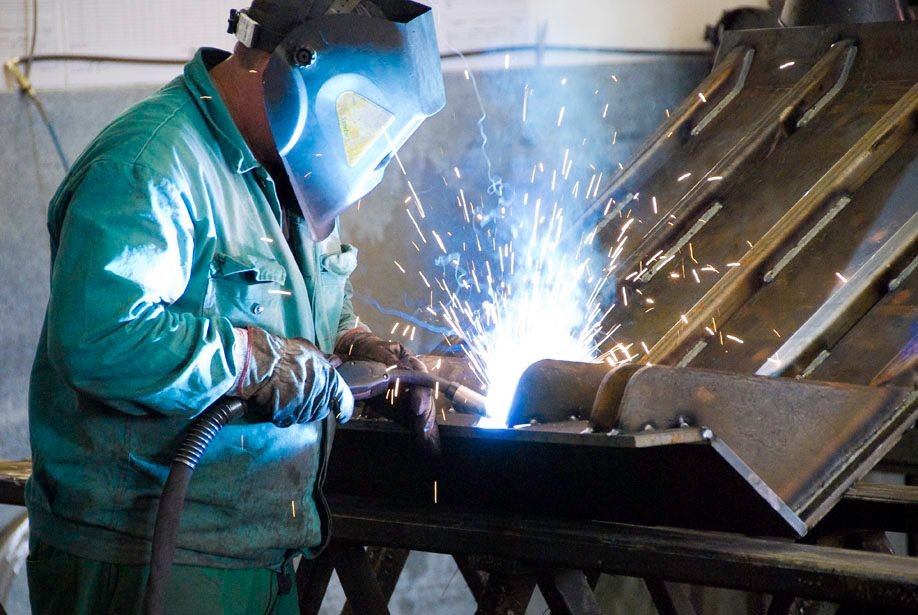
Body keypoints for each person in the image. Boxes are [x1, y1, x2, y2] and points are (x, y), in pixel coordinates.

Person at [25, 1, 445, 613]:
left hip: (260, 554)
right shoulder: (150, 167)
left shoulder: (287, 169)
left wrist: (354, 348)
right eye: (357, 114)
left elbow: (314, 306)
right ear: (299, 74)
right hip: (154, 560)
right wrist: (253, 362)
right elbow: (101, 338)